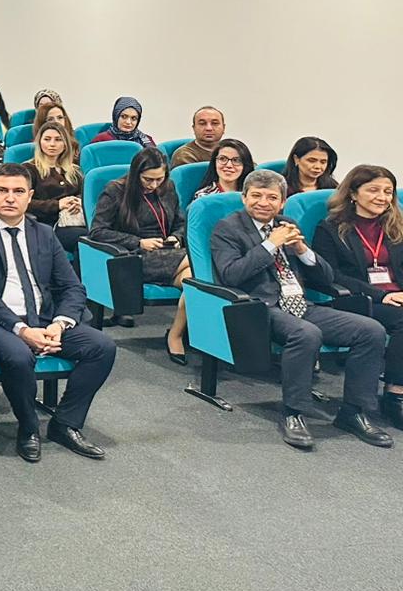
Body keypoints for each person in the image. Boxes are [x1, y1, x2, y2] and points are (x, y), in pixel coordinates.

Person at [211, 170, 389, 450]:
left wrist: (303, 249)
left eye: (272, 197)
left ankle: (353, 411)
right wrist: (271, 244)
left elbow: (326, 277)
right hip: (258, 307)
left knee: (371, 330)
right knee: (306, 334)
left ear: (282, 202)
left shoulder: (287, 223)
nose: (263, 203)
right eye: (256, 196)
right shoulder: (228, 229)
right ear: (244, 198)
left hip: (300, 304)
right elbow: (231, 274)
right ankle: (294, 412)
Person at [0, 164, 116, 462]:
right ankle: (28, 427)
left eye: (18, 192)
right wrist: (22, 330)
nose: (10, 198)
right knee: (18, 356)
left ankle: (65, 424)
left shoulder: (43, 233)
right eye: (2, 191)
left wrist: (58, 324)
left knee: (102, 347)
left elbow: (72, 286)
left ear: (30, 196)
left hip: (45, 319)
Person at [314, 164, 403, 428]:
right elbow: (330, 276)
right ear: (353, 193)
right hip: (357, 299)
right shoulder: (330, 228)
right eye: (374, 190)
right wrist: (380, 295)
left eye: (388, 191)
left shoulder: (395, 226)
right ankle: (395, 394)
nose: (382, 197)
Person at [90, 149, 192, 357]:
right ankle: (182, 336)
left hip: (169, 253)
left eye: (159, 179)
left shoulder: (168, 187)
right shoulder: (115, 190)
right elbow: (98, 231)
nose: (154, 185)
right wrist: (138, 241)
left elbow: (180, 223)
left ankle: (176, 334)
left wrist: (176, 237)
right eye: (148, 179)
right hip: (134, 257)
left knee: (193, 283)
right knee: (202, 269)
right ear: (136, 174)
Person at [25, 123, 85, 253]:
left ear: (65, 144)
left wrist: (78, 202)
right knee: (85, 239)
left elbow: (83, 195)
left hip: (74, 221)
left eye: (58, 140)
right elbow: (24, 202)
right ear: (39, 142)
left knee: (99, 236)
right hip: (47, 225)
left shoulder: (74, 171)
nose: (52, 144)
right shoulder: (29, 169)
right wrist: (57, 205)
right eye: (47, 139)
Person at [91, 96, 157, 149]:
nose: (128, 122)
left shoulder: (147, 140)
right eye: (124, 116)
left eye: (133, 118)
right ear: (116, 117)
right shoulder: (101, 140)